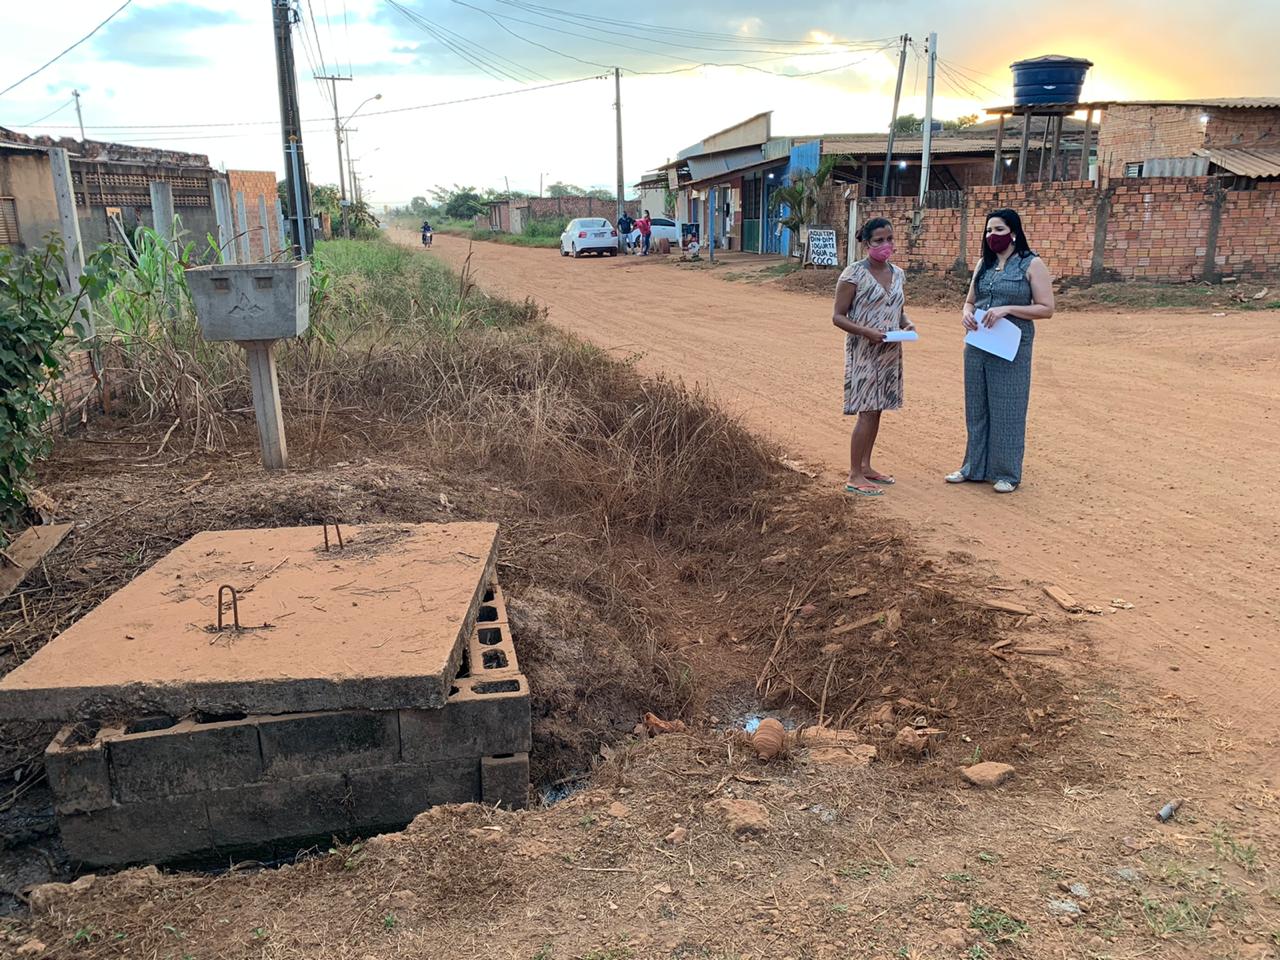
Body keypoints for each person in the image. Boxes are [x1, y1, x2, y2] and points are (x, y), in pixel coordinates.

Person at [946, 208, 1055, 493]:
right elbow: (970, 301)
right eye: (988, 230)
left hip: (1011, 346)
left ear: (1014, 233)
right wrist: (966, 313)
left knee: (1008, 407)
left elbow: (1046, 308)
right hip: (979, 343)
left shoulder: (1031, 265)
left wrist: (1008, 309)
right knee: (976, 407)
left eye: (998, 230)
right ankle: (973, 467)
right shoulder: (984, 263)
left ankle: (1006, 473)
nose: (991, 235)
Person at [832, 218, 914, 497]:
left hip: (890, 350)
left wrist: (906, 324)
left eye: (889, 239)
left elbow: (897, 307)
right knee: (867, 411)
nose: (885, 245)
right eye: (878, 240)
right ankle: (854, 474)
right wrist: (866, 332)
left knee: (878, 408)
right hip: (864, 351)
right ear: (866, 243)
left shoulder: (899, 274)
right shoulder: (852, 275)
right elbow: (838, 317)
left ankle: (866, 466)